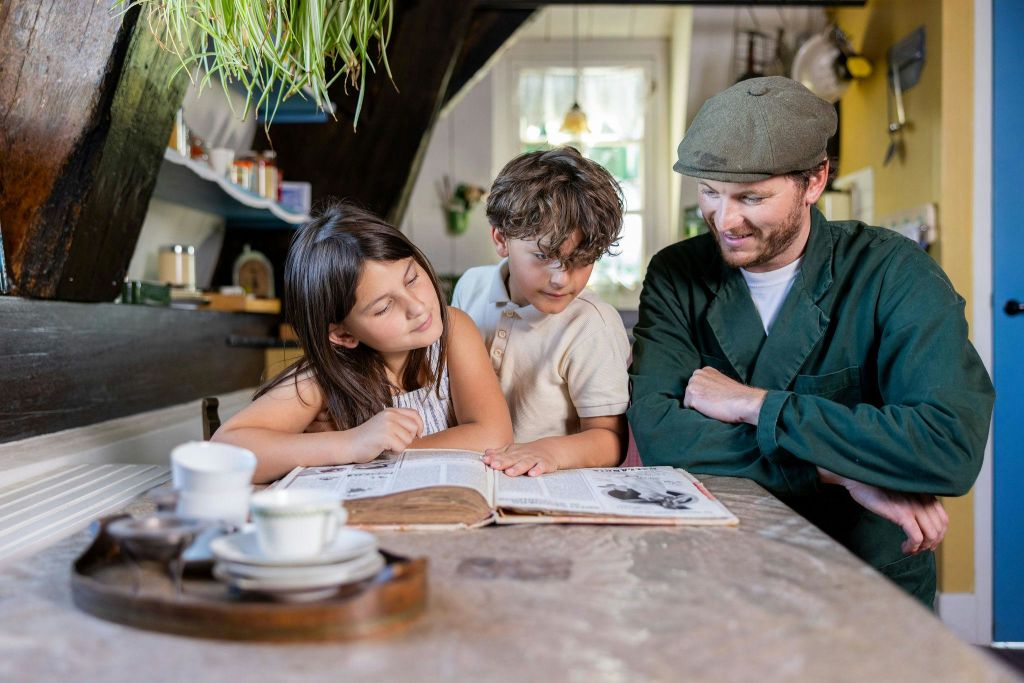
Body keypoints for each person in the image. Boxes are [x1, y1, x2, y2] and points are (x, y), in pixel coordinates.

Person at [627, 76, 994, 606]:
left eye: (751, 197)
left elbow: (947, 447)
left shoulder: (895, 272)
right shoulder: (675, 273)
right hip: (717, 568)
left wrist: (754, 404)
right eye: (710, 192)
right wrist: (843, 471)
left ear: (815, 180)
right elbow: (662, 438)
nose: (725, 219)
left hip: (863, 576)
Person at [213, 201, 513, 483]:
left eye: (411, 279)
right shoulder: (324, 379)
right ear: (344, 334)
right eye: (384, 307)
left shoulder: (453, 330)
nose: (417, 307)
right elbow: (224, 453)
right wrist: (351, 443)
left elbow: (494, 435)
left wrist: (385, 452)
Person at [451, 147, 630, 477]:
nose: (561, 279)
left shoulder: (593, 324)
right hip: (468, 470)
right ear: (501, 240)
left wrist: (549, 452)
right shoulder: (471, 286)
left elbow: (610, 439)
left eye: (581, 260)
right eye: (543, 256)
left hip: (545, 480)